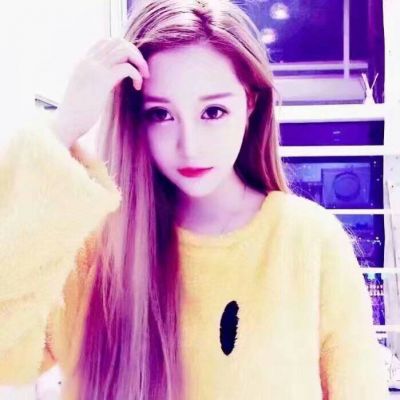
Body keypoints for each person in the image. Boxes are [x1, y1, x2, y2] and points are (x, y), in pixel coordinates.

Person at [0, 0, 388, 399]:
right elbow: (5, 354)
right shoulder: (95, 250)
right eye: (161, 114)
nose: (190, 146)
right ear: (138, 118)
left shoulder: (308, 240)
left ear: (250, 103)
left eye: (213, 111)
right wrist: (61, 131)